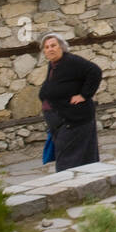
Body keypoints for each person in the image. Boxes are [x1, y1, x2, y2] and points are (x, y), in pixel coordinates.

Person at [38, 32, 102, 170]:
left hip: (75, 121)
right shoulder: (54, 64)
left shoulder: (71, 61)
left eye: (53, 45)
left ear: (61, 47)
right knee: (76, 160)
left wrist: (84, 95)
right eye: (47, 47)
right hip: (62, 123)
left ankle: (71, 188)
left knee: (68, 161)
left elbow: (95, 71)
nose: (50, 49)